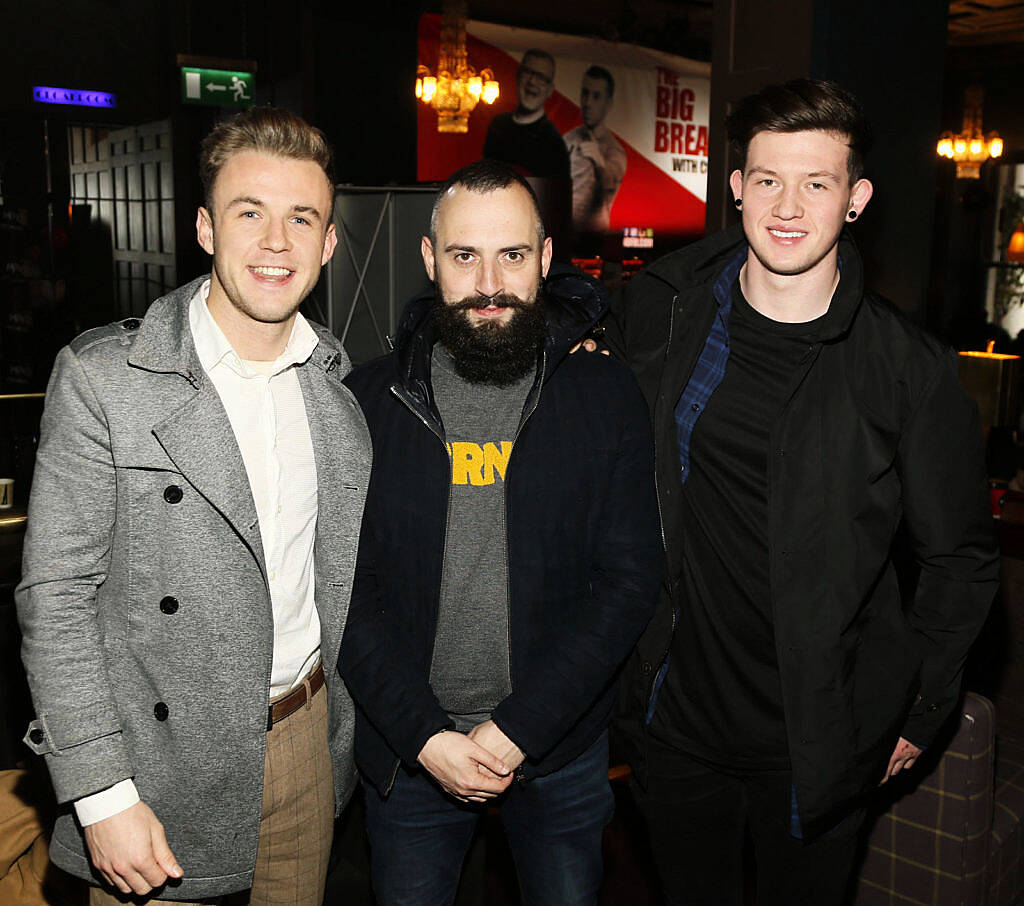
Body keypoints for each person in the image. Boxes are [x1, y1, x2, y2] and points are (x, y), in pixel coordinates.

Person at [606, 79, 1000, 905]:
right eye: (770, 180)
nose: (789, 206)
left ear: (854, 200)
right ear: (738, 187)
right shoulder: (668, 310)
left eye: (816, 183)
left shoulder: (909, 372)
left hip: (820, 739)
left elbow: (960, 562)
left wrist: (918, 713)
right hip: (674, 726)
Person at [16, 106, 371, 905]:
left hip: (305, 748)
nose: (276, 242)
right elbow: (56, 598)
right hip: (154, 766)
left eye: (301, 218)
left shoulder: (338, 393)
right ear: (207, 228)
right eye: (251, 213)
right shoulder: (107, 378)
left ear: (328, 243)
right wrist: (102, 792)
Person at [339, 159, 662, 905]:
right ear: (429, 261)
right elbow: (345, 593)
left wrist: (519, 728)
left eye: (512, 255)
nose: (489, 282)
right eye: (464, 256)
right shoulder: (367, 401)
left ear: (546, 260)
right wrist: (424, 736)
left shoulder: (605, 391)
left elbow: (628, 579)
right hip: (412, 752)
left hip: (560, 751)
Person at [483, 49, 571, 181]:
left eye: (541, 78)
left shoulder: (554, 144)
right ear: (518, 76)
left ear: (550, 90)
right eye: (528, 72)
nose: (532, 81)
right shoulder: (498, 125)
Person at [564, 65, 627, 236]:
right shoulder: (569, 138)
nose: (588, 103)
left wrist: (599, 163)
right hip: (560, 234)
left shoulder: (614, 151)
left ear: (608, 103)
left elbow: (609, 182)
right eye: (585, 93)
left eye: (596, 96)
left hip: (591, 240)